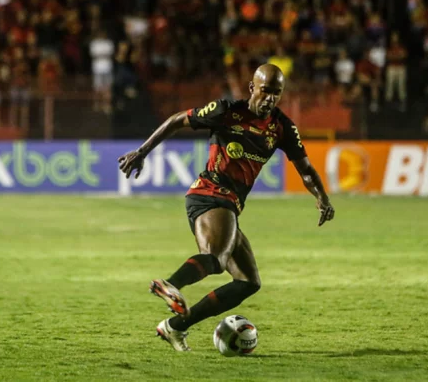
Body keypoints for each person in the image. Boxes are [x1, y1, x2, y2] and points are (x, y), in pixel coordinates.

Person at [118, 64, 335, 352]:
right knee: (216, 259)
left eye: (276, 93)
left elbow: (305, 169)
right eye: (265, 90)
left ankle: (174, 327)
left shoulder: (282, 127)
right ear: (251, 88)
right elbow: (177, 120)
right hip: (209, 193)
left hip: (230, 202)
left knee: (247, 282)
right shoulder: (227, 111)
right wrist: (142, 151)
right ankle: (169, 284)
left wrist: (321, 197)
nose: (270, 98)